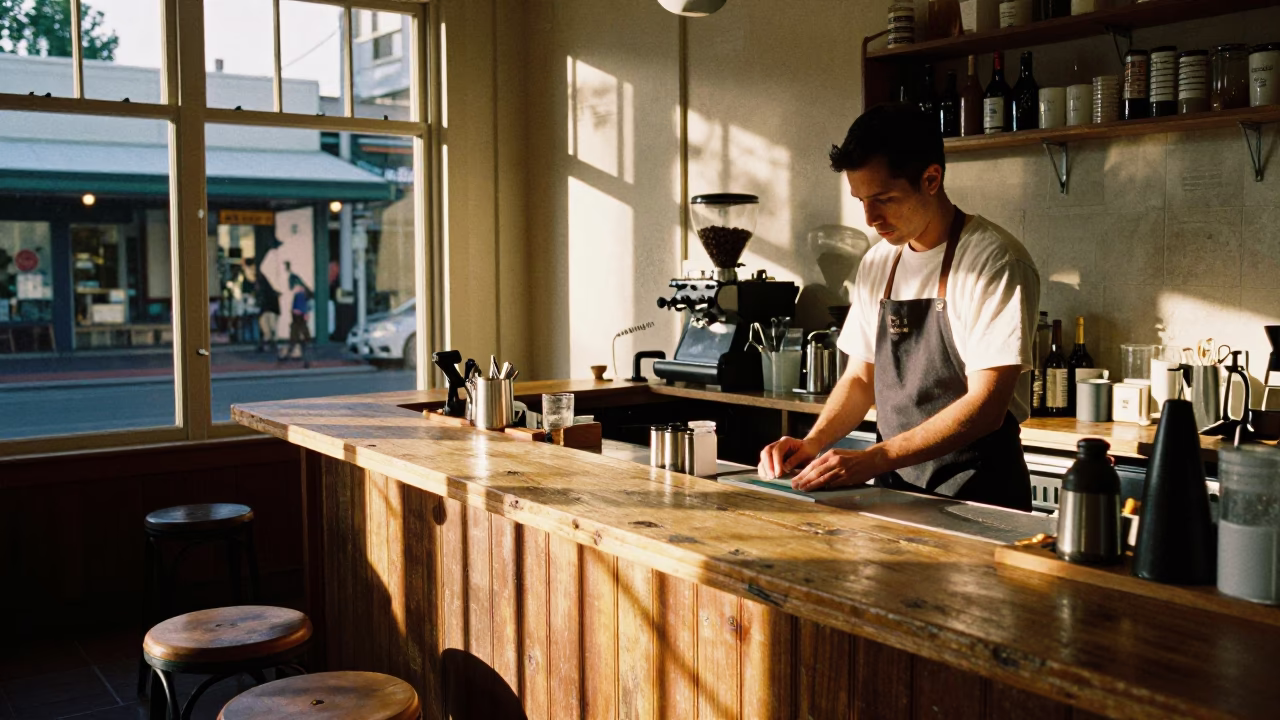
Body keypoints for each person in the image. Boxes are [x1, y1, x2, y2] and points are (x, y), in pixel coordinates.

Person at [758, 103, 1040, 512]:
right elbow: (860, 378)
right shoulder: (878, 261)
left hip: (979, 497)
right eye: (861, 200)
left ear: (931, 179)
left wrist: (875, 458)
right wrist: (812, 442)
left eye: (884, 199)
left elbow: (986, 407)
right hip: (896, 492)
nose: (870, 218)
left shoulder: (993, 261)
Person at [280, 271, 313, 368]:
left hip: (298, 316)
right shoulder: (303, 293)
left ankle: (290, 355)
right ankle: (303, 358)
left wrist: (300, 312)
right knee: (301, 337)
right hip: (299, 316)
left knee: (295, 336)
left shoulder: (299, 294)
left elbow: (299, 307)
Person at [255, 263, 281, 353]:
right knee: (270, 328)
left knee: (268, 329)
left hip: (268, 308)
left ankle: (268, 344)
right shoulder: (269, 282)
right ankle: (271, 344)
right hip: (270, 307)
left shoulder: (264, 283)